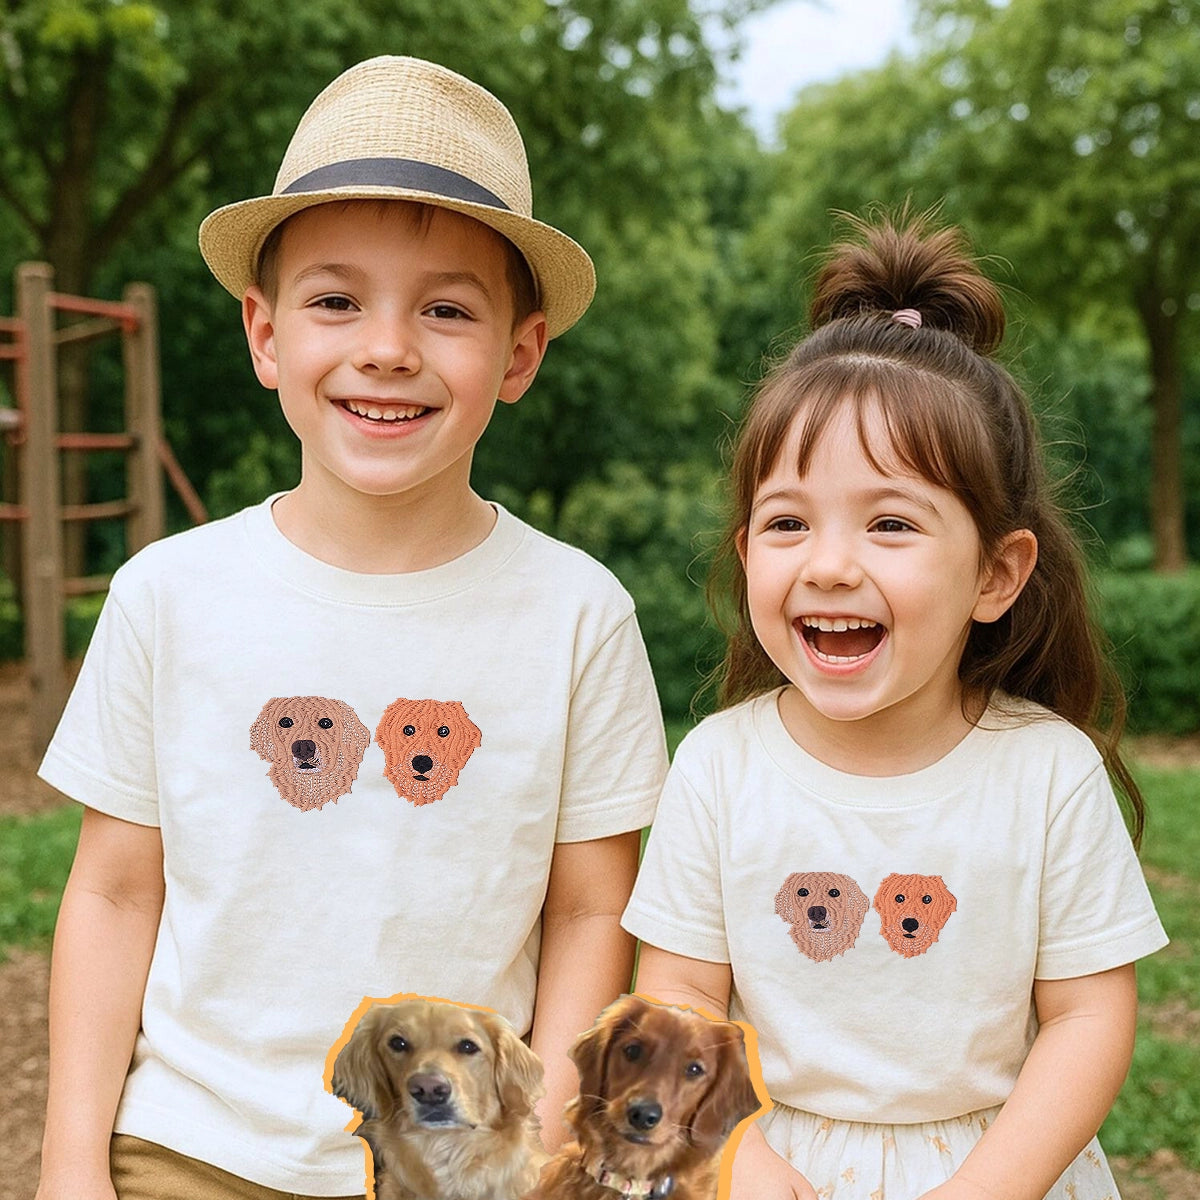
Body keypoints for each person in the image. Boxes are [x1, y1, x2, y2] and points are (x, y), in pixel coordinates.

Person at [34, 56, 667, 1200]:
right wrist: (69, 1164)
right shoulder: (167, 596)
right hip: (188, 1152)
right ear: (265, 334)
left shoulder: (579, 616)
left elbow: (588, 910)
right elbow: (114, 892)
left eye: (446, 309)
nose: (387, 347)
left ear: (520, 354)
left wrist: (542, 1151)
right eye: (337, 301)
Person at [622, 214, 1167, 1200]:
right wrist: (738, 1155)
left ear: (996, 573)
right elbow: (678, 994)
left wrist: (981, 1191)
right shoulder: (720, 765)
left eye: (889, 523)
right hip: (767, 1164)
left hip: (996, 1171)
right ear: (747, 553)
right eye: (788, 522)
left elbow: (1088, 1019)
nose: (830, 565)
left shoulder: (1046, 772)